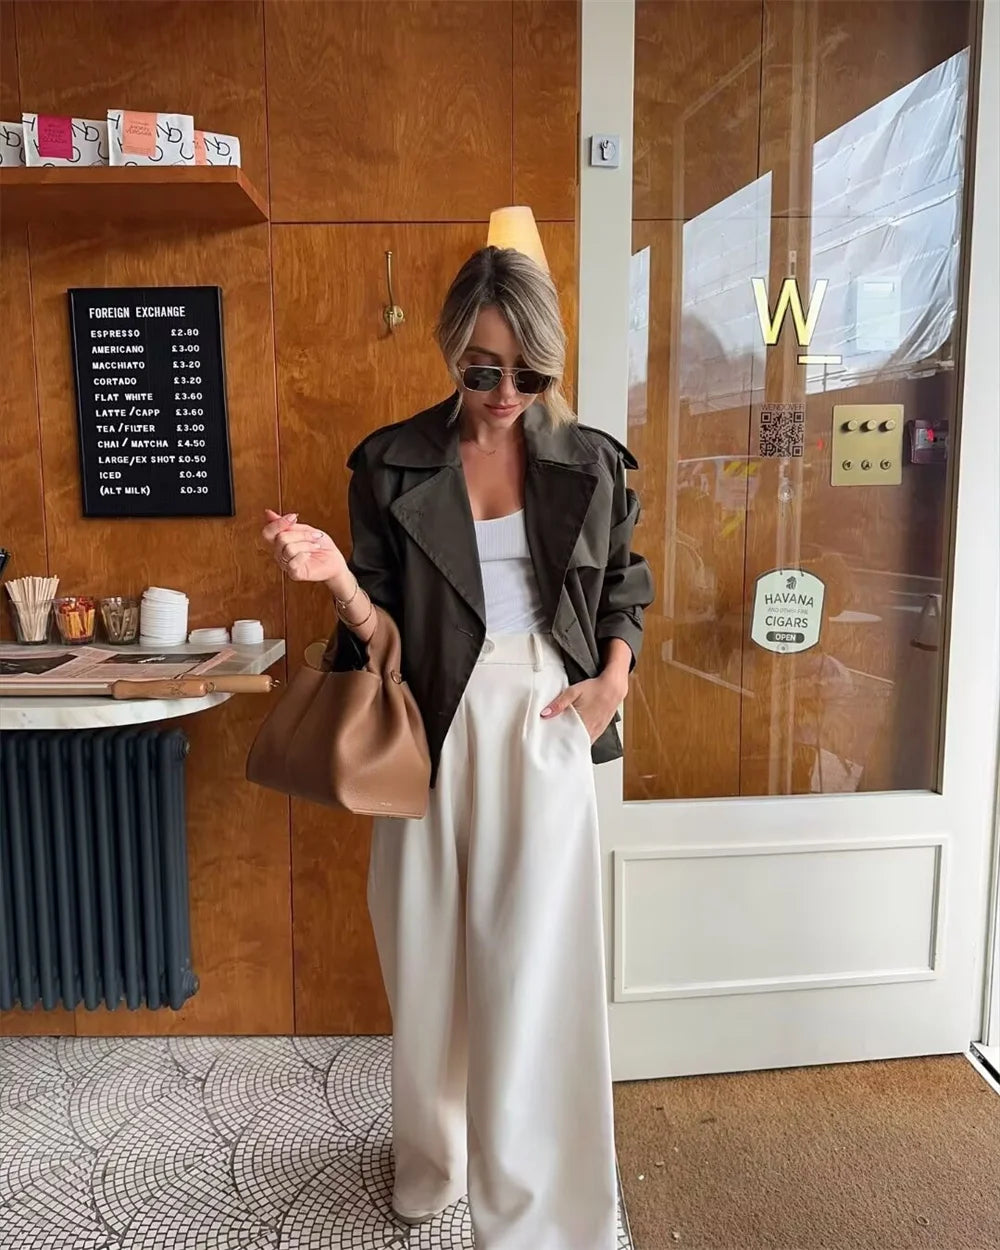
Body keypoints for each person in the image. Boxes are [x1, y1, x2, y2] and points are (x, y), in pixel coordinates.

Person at [261, 246, 654, 1250]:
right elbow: (381, 632)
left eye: (530, 372)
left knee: (535, 973)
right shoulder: (392, 461)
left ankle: (535, 1211)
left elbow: (625, 587)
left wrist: (612, 681)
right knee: (425, 955)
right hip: (430, 724)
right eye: (482, 369)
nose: (505, 392)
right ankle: (434, 1158)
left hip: (547, 720)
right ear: (449, 353)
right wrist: (334, 578)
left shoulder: (592, 462)